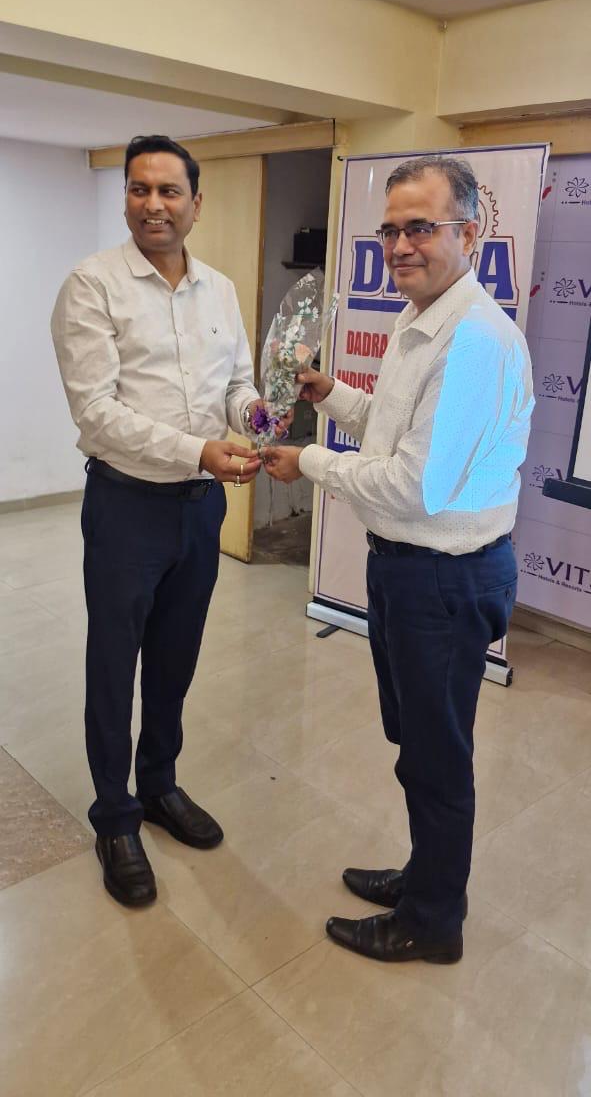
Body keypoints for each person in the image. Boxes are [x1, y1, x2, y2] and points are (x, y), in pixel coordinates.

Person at [263, 155, 534, 965]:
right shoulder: (423, 319)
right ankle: (424, 879)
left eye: (421, 227)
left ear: (469, 234)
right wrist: (330, 397)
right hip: (409, 572)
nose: (400, 246)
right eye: (389, 230)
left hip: (442, 579)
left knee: (437, 758)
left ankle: (432, 921)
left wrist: (308, 461)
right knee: (418, 745)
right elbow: (394, 429)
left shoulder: (473, 340)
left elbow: (416, 486)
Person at [51, 134, 268, 908]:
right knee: (114, 665)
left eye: (169, 191)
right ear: (126, 200)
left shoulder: (219, 289)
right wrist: (198, 450)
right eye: (139, 189)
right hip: (127, 507)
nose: (153, 205)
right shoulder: (92, 285)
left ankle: (159, 785)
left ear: (194, 203)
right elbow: (97, 412)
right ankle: (115, 818)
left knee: (175, 659)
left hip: (199, 510)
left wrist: (257, 413)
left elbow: (236, 384)